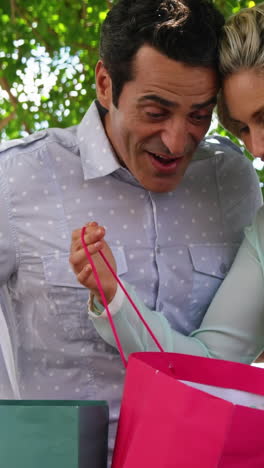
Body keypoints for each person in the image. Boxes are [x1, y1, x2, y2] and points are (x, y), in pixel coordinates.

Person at [0, 0, 262, 460]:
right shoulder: (16, 180)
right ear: (106, 84)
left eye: (199, 115)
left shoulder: (233, 179)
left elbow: (214, 365)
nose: (177, 140)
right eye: (156, 111)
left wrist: (116, 300)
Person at [71, 3, 264, 366]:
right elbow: (210, 366)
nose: (257, 148)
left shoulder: (233, 177)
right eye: (242, 129)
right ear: (104, 85)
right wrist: (114, 297)